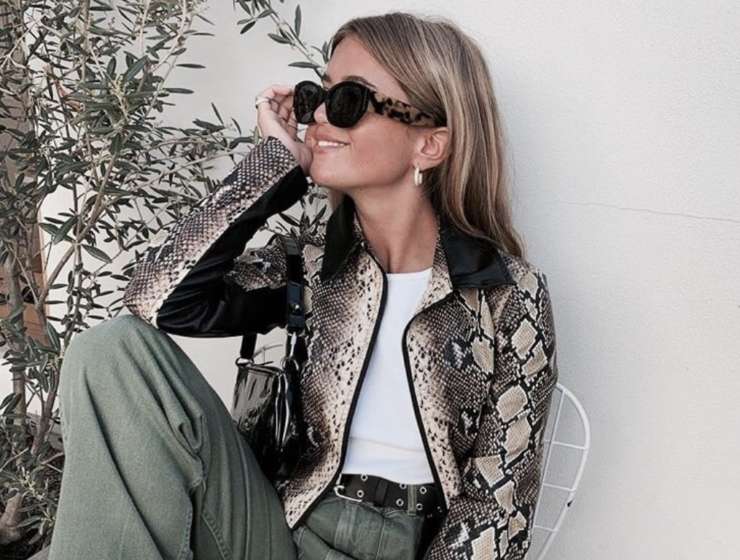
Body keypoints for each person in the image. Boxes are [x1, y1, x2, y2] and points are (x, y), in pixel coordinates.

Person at [47, 11, 559, 560]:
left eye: (349, 101)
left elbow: (497, 512)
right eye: (318, 96)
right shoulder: (310, 265)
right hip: (279, 532)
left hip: (410, 545)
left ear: (429, 146)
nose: (318, 117)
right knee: (111, 349)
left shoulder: (505, 295)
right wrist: (273, 166)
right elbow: (158, 301)